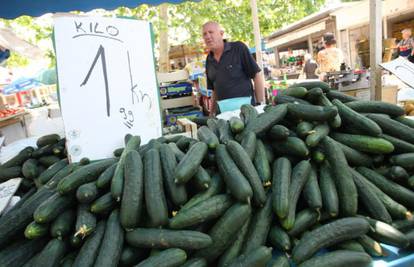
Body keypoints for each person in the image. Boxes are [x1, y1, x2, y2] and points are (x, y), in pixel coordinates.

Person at [202, 21, 264, 115]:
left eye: (211, 32)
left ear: (221, 34)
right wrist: (212, 113)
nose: (207, 36)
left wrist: (260, 104)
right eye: (204, 34)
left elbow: (256, 74)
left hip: (247, 113)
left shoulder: (239, 48)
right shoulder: (209, 60)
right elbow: (215, 90)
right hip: (224, 116)